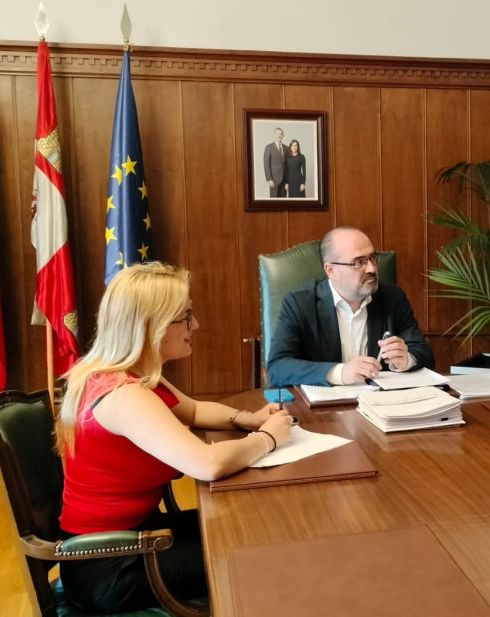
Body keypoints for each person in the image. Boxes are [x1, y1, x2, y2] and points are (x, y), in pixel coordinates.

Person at [56, 263, 292, 613]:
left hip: (132, 537)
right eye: (185, 317)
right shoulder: (124, 394)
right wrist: (267, 439)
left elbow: (193, 410)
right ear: (151, 326)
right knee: (259, 552)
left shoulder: (127, 373)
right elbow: (207, 464)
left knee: (253, 527)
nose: (194, 326)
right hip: (111, 565)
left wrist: (249, 419)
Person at [266, 226, 435, 387]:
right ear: (330, 270)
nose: (371, 268)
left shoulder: (393, 297)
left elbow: (424, 354)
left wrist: (406, 360)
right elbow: (278, 367)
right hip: (323, 408)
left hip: (381, 405)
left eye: (372, 258)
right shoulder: (299, 303)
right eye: (358, 262)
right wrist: (340, 373)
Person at [262, 127, 288, 197]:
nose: (279, 135)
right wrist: (269, 179)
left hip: (284, 179)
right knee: (274, 202)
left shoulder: (286, 148)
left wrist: (288, 181)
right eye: (277, 134)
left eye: (280, 134)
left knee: (283, 202)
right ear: (274, 135)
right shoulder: (269, 147)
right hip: (274, 179)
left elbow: (288, 165)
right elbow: (266, 164)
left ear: (283, 135)